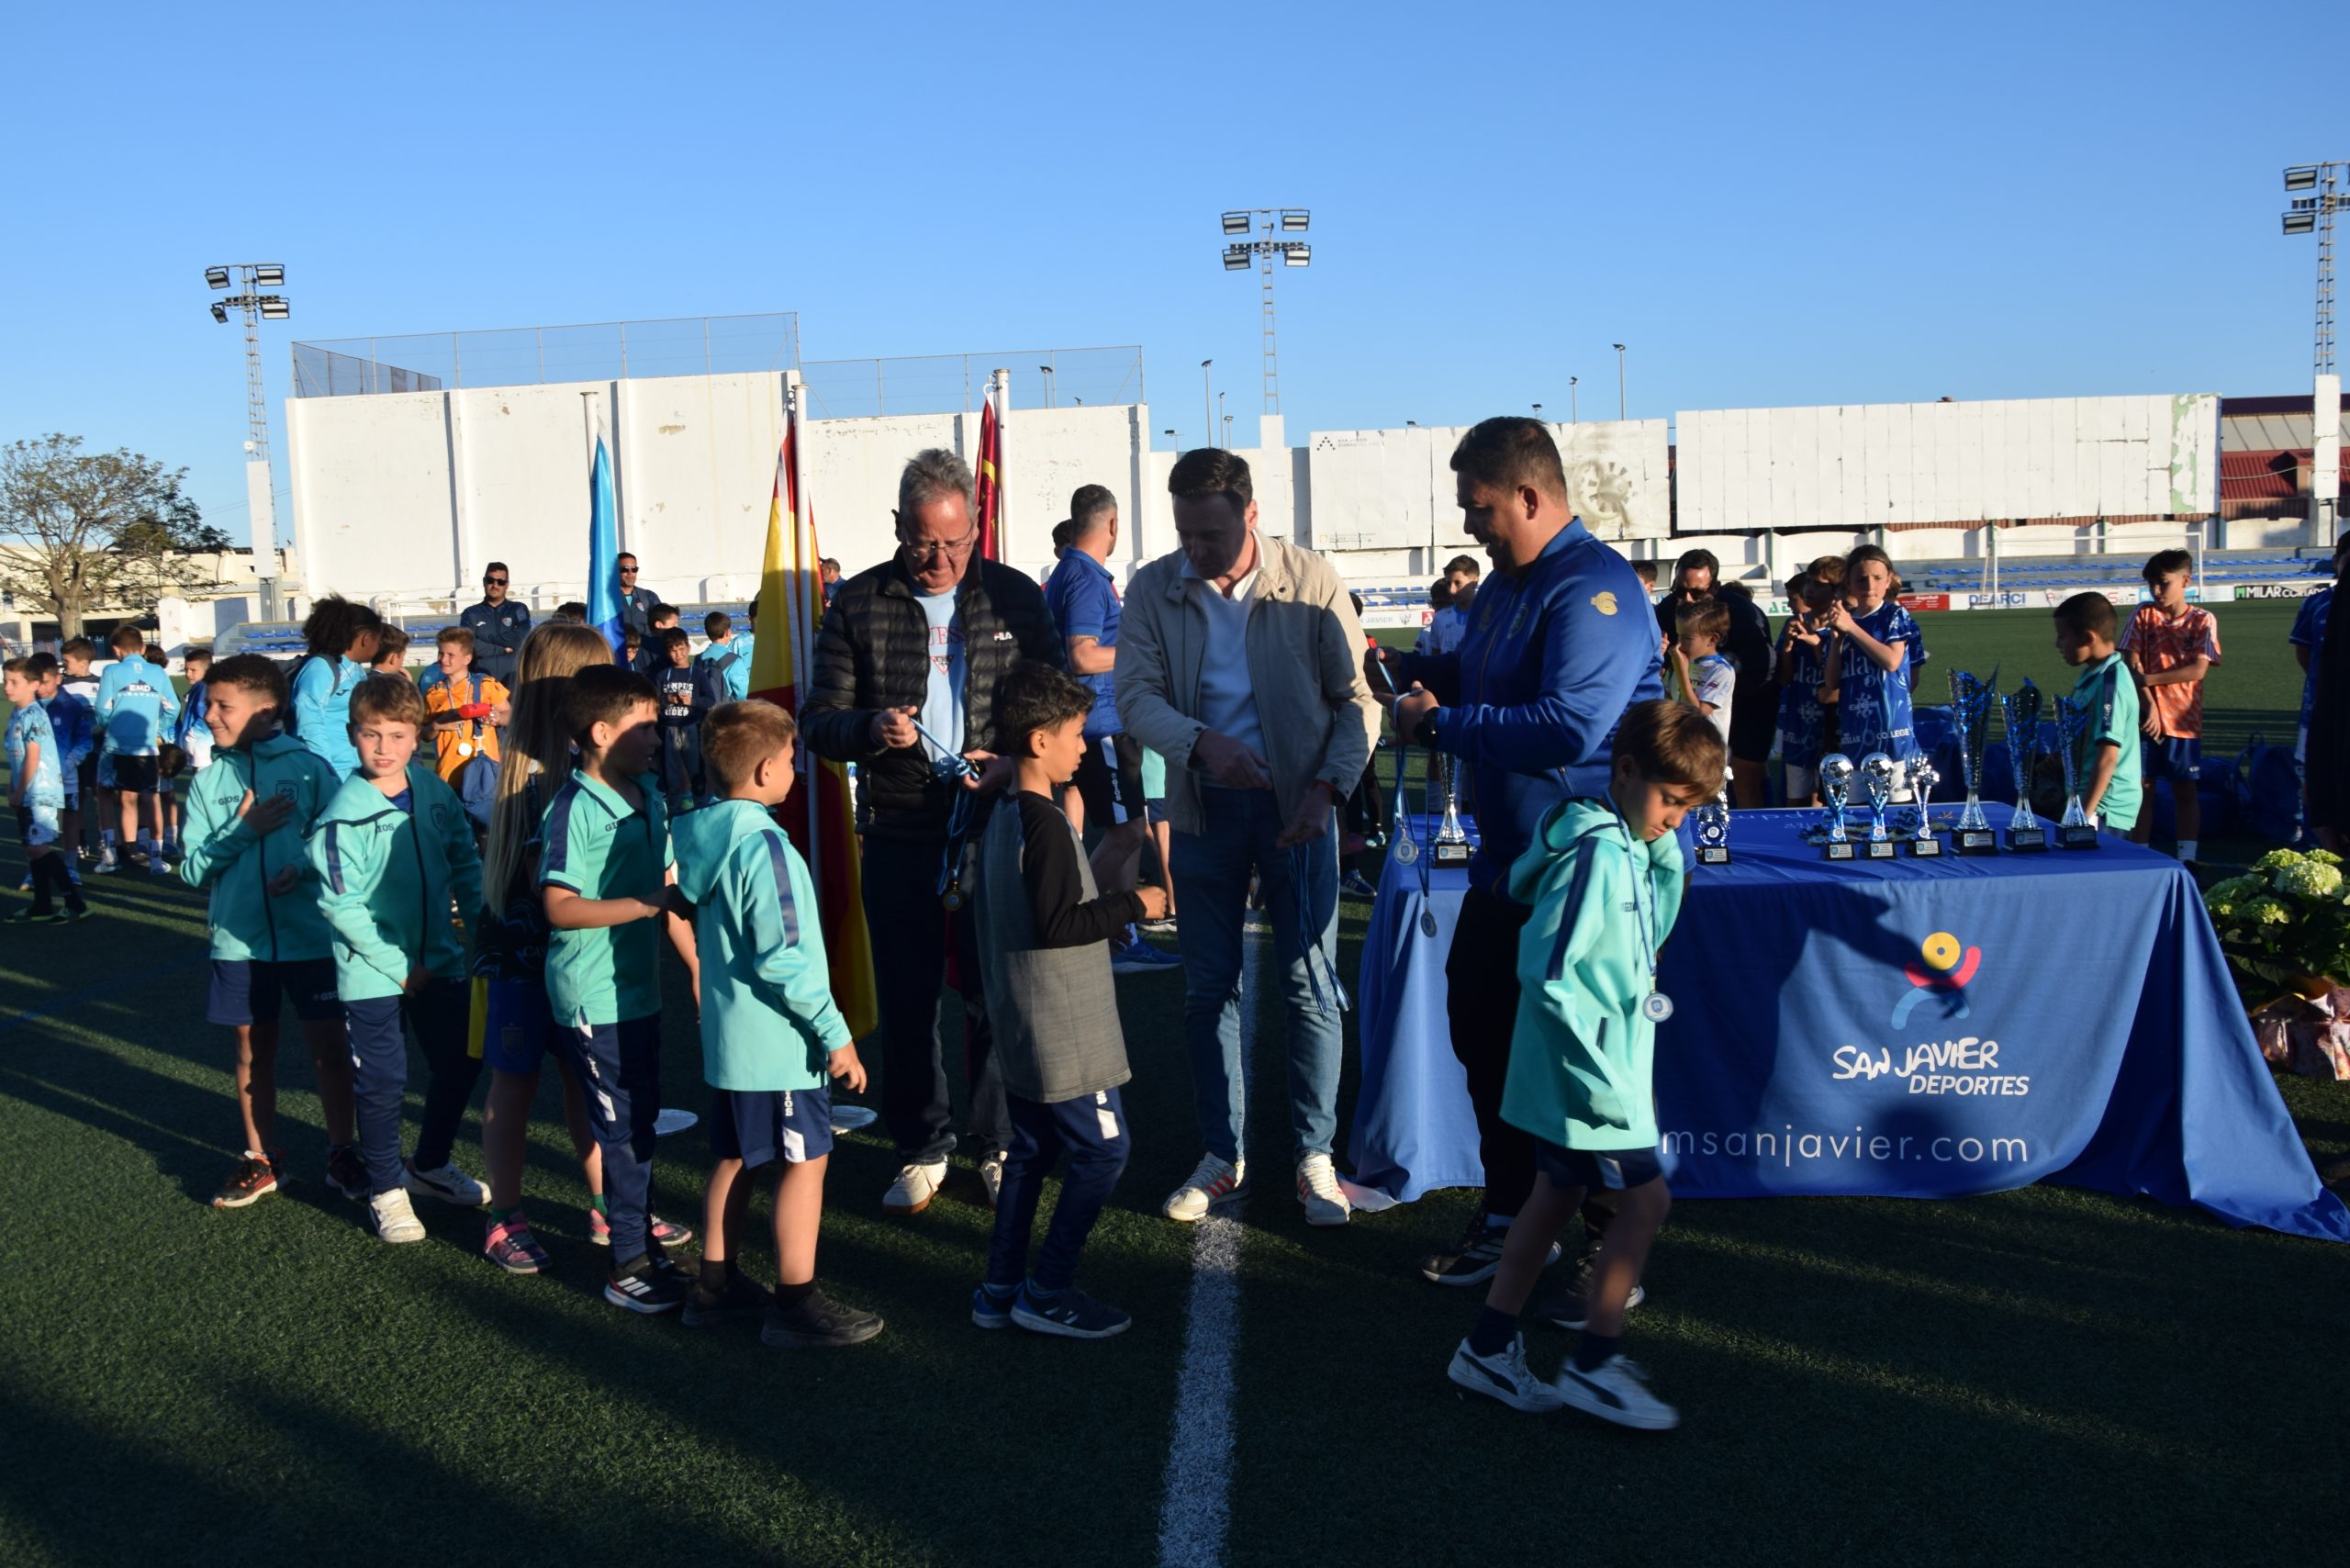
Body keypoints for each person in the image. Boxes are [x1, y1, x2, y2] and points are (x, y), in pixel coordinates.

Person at [1382, 417, 1663, 1285]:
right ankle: (1510, 1218)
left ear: (1530, 496)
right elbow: (1478, 683)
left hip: (1587, 881)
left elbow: (1570, 726)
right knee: (1485, 1034)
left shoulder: (1595, 587)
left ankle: (1606, 1246)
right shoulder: (1505, 586)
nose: (1470, 526)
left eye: (1480, 507)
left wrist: (1443, 727)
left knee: (1584, 1062)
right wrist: (1383, 665)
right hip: (1511, 867)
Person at [1117, 446, 1378, 1228]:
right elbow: (1134, 696)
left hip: (1301, 812)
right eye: (1184, 533)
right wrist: (1202, 745)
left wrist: (1327, 791)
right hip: (1202, 813)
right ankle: (1221, 1154)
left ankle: (1314, 1156)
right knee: (1209, 989)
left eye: (1211, 534)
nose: (1195, 549)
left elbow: (1356, 701)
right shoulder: (1154, 587)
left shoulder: (1311, 577)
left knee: (1310, 984)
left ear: (1252, 514)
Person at [1445, 700, 1718, 1430]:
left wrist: (1663, 855)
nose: (1675, 820)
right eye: (1670, 801)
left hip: (1598, 1066)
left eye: (1689, 810)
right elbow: (1549, 972)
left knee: (1555, 1198)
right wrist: (1597, 1074)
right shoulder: (1595, 853)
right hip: (1590, 1076)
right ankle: (1595, 1364)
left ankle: (1487, 1347)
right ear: (1624, 771)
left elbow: (1654, 932)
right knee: (1646, 1204)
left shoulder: (1629, 846)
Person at [803, 448, 1059, 1216]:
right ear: (897, 527)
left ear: (976, 527)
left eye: (955, 542)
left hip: (993, 820)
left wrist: (1014, 763)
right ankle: (920, 1145)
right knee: (909, 1000)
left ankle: (998, 1141)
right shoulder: (856, 601)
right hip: (898, 824)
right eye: (923, 544)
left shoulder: (1014, 595)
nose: (940, 559)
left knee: (994, 994)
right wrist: (870, 728)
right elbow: (818, 720)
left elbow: (1056, 704)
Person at [473, 623, 692, 1275]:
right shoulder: (537, 782)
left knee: (586, 1082)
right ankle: (505, 1214)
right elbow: (548, 894)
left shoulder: (610, 780)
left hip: (586, 963)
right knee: (514, 1081)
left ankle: (610, 1205)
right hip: (523, 952)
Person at [671, 700, 885, 1347]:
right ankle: (795, 1301)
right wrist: (836, 1036)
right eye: (792, 758)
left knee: (737, 1157)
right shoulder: (764, 847)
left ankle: (714, 1286)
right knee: (807, 1160)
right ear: (766, 770)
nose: (796, 769)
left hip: (736, 1042)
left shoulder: (703, 835)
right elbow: (784, 957)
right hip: (780, 1046)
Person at [973, 665, 1167, 1338]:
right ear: (1038, 741)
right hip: (1064, 1029)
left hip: (1021, 1020)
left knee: (1031, 1151)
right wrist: (1134, 903)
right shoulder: (1043, 823)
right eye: (1076, 734)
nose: (1083, 747)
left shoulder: (1004, 814)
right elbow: (1061, 924)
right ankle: (1048, 1289)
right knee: (1104, 1152)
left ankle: (1000, 1285)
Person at [542, 664, 699, 1310]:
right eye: (646, 726)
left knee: (640, 1124)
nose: (659, 737)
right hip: (592, 996)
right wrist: (644, 906)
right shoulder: (573, 807)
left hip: (639, 993)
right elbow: (558, 906)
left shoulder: (649, 794)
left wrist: (696, 969)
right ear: (602, 733)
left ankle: (643, 1245)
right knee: (624, 1132)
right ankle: (626, 1262)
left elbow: (670, 886)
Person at [308, 675, 487, 1245]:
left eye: (397, 735)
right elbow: (341, 906)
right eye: (371, 735)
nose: (384, 748)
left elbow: (465, 863)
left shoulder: (433, 791)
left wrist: (483, 932)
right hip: (373, 972)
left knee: (462, 1061)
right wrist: (398, 965)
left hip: (440, 960)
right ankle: (386, 1188)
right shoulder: (341, 816)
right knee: (384, 1082)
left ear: (419, 737)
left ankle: (429, 1165)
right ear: (351, 735)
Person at [178, 654, 362, 1206]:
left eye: (223, 705)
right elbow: (192, 870)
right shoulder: (209, 781)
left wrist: (301, 868)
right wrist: (244, 828)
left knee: (330, 1048)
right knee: (252, 1051)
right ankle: (261, 1158)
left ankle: (342, 1153)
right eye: (208, 703)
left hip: (311, 937)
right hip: (238, 943)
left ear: (265, 710)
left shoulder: (309, 769)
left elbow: (338, 844)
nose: (209, 714)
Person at [1041, 482, 1179, 977]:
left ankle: (1120, 936)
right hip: (1101, 725)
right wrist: (1144, 653)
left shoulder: (1074, 572)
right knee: (1126, 833)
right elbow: (1082, 655)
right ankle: (1073, 923)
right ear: (1112, 524)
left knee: (1129, 832)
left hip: (1100, 722)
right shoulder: (1084, 577)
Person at [2121, 548, 2221, 860]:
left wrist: (2148, 680)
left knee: (2185, 791)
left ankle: (2187, 858)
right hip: (2144, 719)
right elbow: (2130, 662)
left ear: (2185, 581)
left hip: (2183, 721)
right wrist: (2149, 705)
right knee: (2143, 789)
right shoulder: (2143, 614)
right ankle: (2139, 856)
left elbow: (2197, 671)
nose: (2155, 590)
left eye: (2163, 583)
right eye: (2151, 583)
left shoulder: (2203, 620)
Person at [1656, 549, 1774, 807]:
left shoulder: (1743, 615)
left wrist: (1720, 695)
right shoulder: (1667, 610)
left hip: (1749, 697)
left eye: (1697, 593)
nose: (1687, 599)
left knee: (1744, 776)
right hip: (1693, 700)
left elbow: (1764, 673)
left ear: (1715, 588)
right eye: (1680, 590)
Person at [94, 624, 182, 876]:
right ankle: (156, 860)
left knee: (107, 795)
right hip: (147, 746)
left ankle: (111, 856)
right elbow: (173, 707)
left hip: (116, 745)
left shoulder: (111, 671)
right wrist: (158, 729)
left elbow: (102, 709)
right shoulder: (157, 672)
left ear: (116, 650)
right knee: (151, 798)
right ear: (142, 648)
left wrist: (110, 727)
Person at [6, 656, 88, 924]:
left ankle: (75, 903)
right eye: (5, 681)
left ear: (33, 684)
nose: (7, 687)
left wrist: (20, 790)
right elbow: (16, 757)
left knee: (38, 848)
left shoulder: (34, 714)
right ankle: (42, 905)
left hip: (39, 792)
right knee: (32, 849)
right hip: (26, 792)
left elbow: (33, 756)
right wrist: (12, 786)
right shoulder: (17, 714)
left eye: (14, 682)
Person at [1822, 545, 1916, 776]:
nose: (1870, 586)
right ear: (1849, 583)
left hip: (1891, 729)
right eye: (1861, 579)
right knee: (1858, 795)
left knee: (1894, 795)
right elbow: (1832, 681)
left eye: (1877, 578)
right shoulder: (1844, 620)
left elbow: (1891, 661)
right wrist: (1836, 640)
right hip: (1854, 729)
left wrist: (1852, 628)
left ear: (1889, 580)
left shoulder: (1894, 615)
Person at [2053, 593, 2141, 834]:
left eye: (2062, 636)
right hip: (2085, 801)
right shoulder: (2091, 677)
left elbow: (2108, 757)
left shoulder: (2111, 684)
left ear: (2088, 638)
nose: (2058, 644)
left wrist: (2082, 816)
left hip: (2103, 809)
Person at [288, 595, 381, 782]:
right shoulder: (320, 668)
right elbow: (308, 723)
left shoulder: (355, 669)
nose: (379, 647)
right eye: (378, 640)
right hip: (328, 771)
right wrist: (325, 770)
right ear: (367, 639)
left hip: (355, 767)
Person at [1774, 560, 1844, 805]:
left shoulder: (1842, 627)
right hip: (1799, 723)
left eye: (1817, 585)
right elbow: (1783, 678)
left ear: (1835, 590)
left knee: (1829, 798)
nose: (1809, 590)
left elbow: (1836, 680)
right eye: (1809, 584)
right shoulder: (1793, 624)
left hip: (1830, 726)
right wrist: (1787, 648)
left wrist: (1816, 644)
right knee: (1795, 798)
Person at [2292, 534, 2348, 840]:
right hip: (2318, 707)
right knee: (2313, 774)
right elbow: (2304, 652)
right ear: (2336, 560)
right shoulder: (2316, 603)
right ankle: (2312, 838)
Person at [26, 655, 92, 890]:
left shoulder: (71, 706)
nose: (39, 688)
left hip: (66, 777)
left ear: (58, 678)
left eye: (44, 682)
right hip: (35, 778)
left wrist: (69, 763)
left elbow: (84, 741)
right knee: (36, 822)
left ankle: (71, 867)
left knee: (70, 819)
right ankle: (35, 871)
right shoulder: (27, 706)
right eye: (35, 682)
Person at [422, 626, 509, 788]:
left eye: (451, 655)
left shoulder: (486, 685)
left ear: (467, 659)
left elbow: (510, 714)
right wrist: (437, 726)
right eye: (441, 653)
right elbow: (425, 734)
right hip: (448, 774)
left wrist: (498, 717)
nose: (443, 659)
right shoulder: (433, 693)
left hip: (484, 773)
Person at [161, 646, 216, 865]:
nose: (188, 674)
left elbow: (205, 717)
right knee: (200, 798)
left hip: (203, 752)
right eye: (186, 669)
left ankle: (197, 846)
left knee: (201, 799)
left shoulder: (203, 687)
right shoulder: (199, 687)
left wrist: (191, 737)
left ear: (206, 670)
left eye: (193, 670)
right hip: (199, 752)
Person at [653, 626, 716, 810]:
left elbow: (710, 700)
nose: (678, 654)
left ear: (688, 648)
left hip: (691, 727)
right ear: (667, 652)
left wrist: (693, 702)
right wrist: (668, 700)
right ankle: (673, 814)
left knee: (696, 773)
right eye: (673, 650)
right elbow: (653, 702)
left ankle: (701, 809)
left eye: (681, 649)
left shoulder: (698, 674)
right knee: (671, 776)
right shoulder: (662, 675)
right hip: (668, 730)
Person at [1671, 599, 1736, 751]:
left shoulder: (1721, 671)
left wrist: (1681, 672)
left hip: (1706, 755)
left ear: (1712, 639)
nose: (1679, 643)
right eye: (1678, 635)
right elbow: (1672, 701)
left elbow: (1698, 714)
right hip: (1681, 749)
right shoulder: (1686, 663)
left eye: (1687, 638)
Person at [59, 640, 102, 857]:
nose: (63, 664)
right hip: (73, 750)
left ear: (84, 662)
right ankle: (79, 839)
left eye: (67, 661)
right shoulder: (62, 685)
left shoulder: (101, 684)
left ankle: (105, 838)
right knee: (77, 796)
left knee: (100, 794)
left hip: (97, 749)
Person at [461, 562, 532, 688]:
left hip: (514, 682)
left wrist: (488, 638)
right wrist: (502, 649)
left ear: (507, 585)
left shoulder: (518, 609)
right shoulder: (470, 613)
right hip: (480, 684)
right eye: (490, 580)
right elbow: (468, 645)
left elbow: (522, 637)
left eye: (501, 582)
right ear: (484, 582)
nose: (495, 585)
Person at [1422, 555, 1482, 655]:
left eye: (1458, 583)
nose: (1451, 590)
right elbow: (1436, 657)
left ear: (1474, 582)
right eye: (1449, 584)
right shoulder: (1439, 618)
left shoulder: (1487, 616)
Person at [697, 610, 752, 704]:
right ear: (727, 632)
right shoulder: (734, 660)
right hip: (727, 709)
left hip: (704, 708)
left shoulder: (698, 659)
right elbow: (742, 693)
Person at [615, 553, 657, 644]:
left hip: (645, 648)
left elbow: (662, 623)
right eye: (625, 569)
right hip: (618, 648)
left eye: (634, 569)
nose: (630, 573)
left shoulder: (648, 597)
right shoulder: (608, 600)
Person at [633, 603, 681, 679]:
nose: (677, 628)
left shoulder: (638, 644)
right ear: (659, 625)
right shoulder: (665, 645)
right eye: (674, 624)